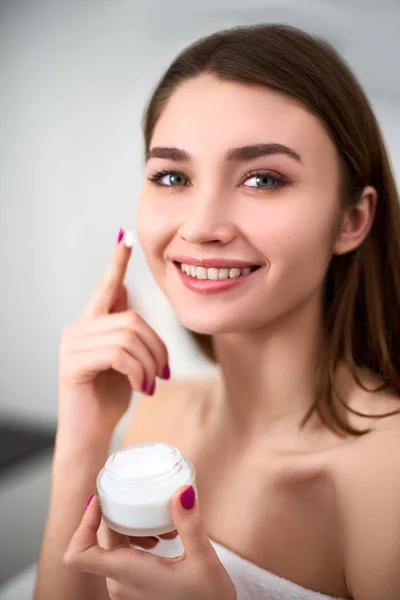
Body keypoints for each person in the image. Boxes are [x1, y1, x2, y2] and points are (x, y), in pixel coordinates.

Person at [34, 23, 400, 600]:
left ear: (352, 219)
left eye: (262, 178)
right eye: (172, 176)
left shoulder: (387, 472)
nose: (201, 227)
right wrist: (83, 440)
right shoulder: (157, 421)